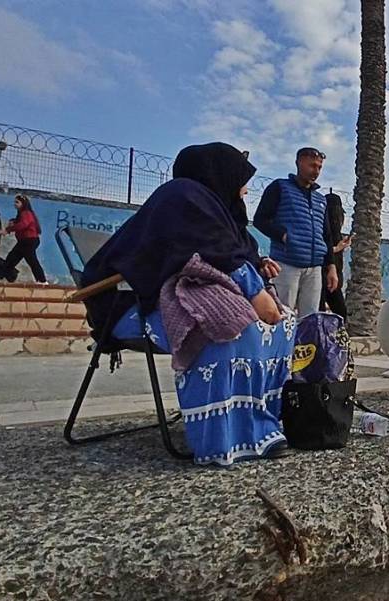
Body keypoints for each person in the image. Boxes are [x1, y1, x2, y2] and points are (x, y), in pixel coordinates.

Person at [81, 142, 293, 465]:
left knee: (284, 321)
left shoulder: (218, 210)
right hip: (131, 308)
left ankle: (263, 423)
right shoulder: (182, 195)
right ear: (219, 173)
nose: (245, 191)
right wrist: (252, 289)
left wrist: (258, 264)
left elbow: (231, 249)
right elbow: (213, 249)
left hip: (174, 299)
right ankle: (225, 437)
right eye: (241, 180)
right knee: (227, 324)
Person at [253, 147, 338, 318]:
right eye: (312, 165)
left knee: (310, 318)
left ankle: (306, 346)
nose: (316, 171)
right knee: (283, 315)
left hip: (314, 268)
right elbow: (260, 220)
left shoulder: (320, 199)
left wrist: (331, 267)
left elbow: (326, 236)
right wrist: (283, 236)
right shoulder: (280, 187)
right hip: (286, 264)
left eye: (319, 167)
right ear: (299, 163)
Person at [1, 194, 48, 284]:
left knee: (32, 261)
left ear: (23, 203)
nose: (15, 204)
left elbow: (24, 224)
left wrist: (9, 229)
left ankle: (42, 281)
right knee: (10, 260)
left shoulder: (26, 213)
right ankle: (9, 278)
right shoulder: (21, 214)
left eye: (17, 202)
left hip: (29, 241)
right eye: (14, 202)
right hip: (23, 242)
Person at [320, 192, 350, 320]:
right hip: (322, 275)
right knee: (320, 312)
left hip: (333, 277)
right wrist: (336, 248)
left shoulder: (335, 231)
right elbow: (318, 249)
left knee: (340, 314)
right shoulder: (323, 229)